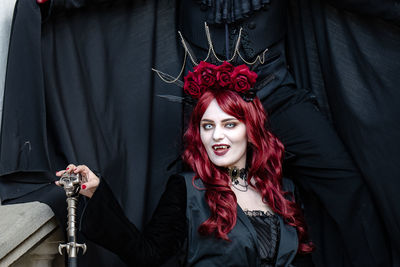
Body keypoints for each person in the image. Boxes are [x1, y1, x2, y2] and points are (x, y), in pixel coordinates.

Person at [56, 62, 314, 266]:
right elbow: (145, 255)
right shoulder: (188, 191)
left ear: (250, 130)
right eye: (208, 126)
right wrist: (97, 191)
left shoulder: (282, 191)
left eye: (230, 124)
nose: (217, 136)